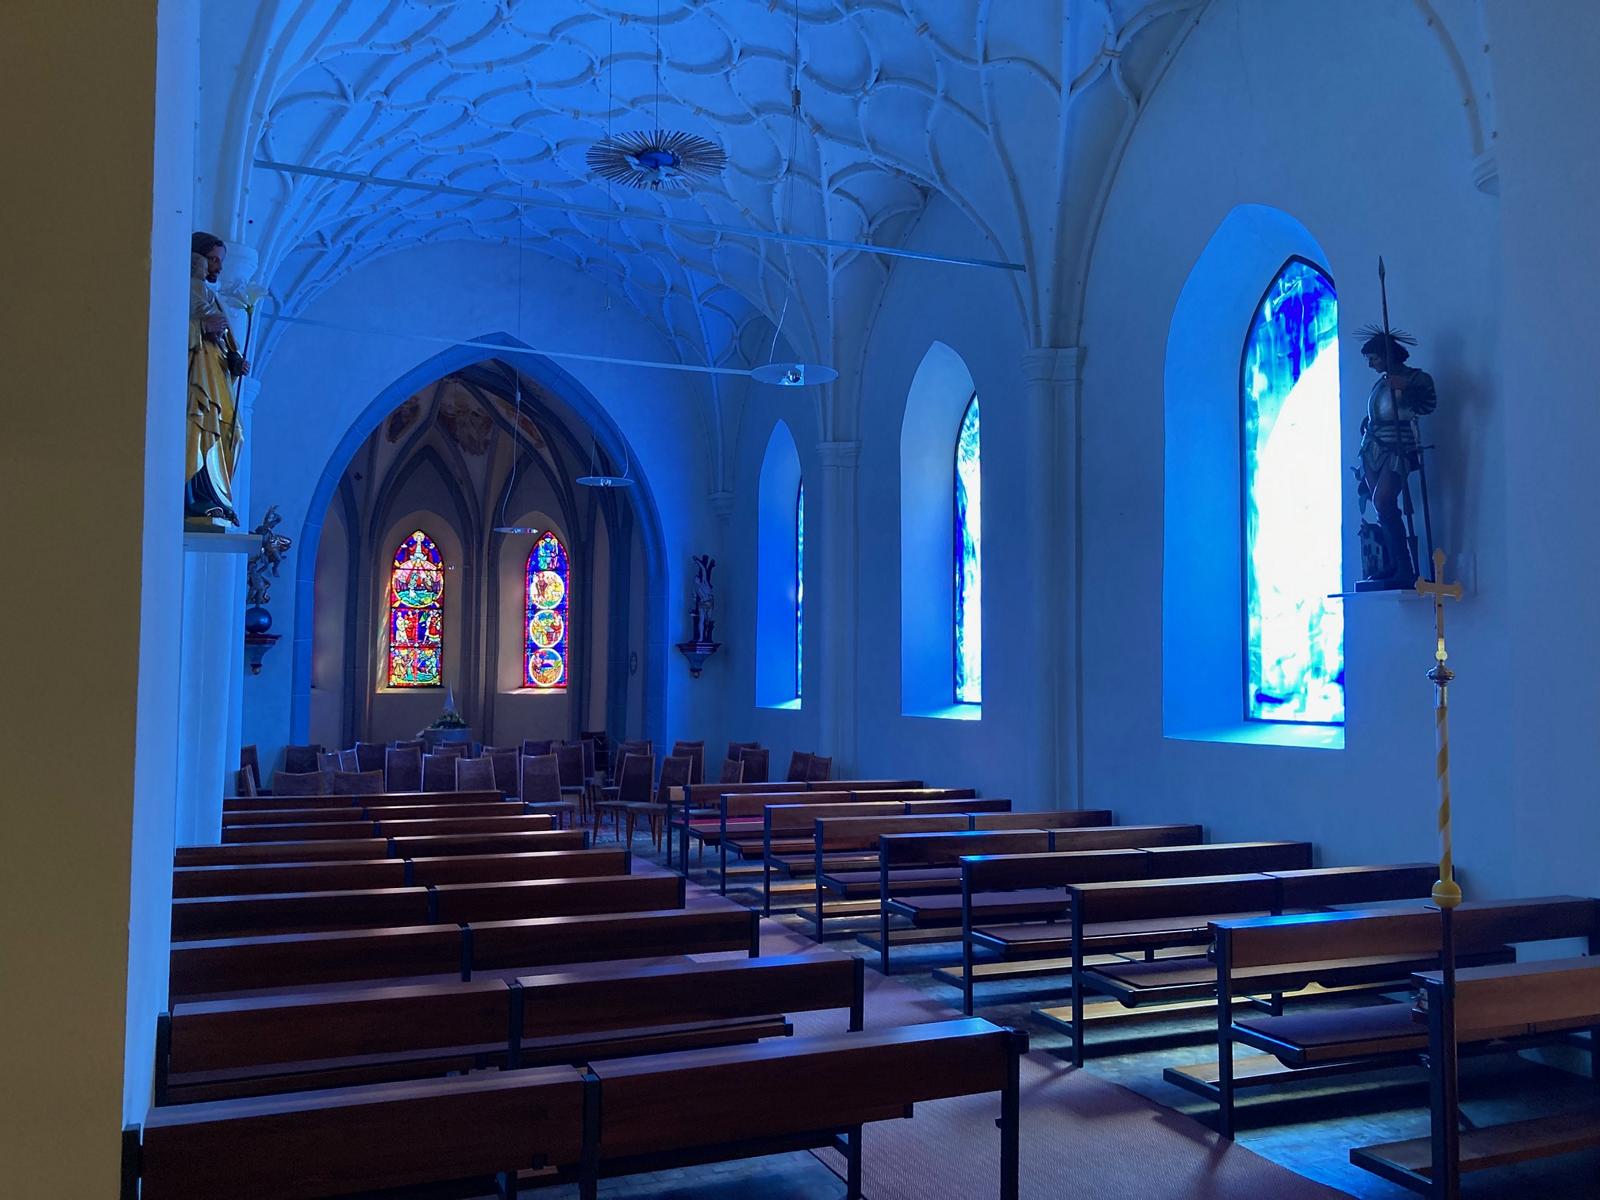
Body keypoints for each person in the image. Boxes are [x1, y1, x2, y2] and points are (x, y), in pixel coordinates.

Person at [1356, 328, 1436, 586]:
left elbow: (1427, 405)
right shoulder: (1381, 383)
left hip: (1397, 446)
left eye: (1374, 358)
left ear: (1386, 355)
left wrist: (1407, 387)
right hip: (1372, 447)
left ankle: (1405, 567)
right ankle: (1394, 564)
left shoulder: (1415, 377)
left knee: (1383, 500)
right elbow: (1378, 413)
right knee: (1381, 506)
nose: (1370, 364)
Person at [186, 234, 246, 525]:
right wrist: (201, 327)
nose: (218, 267)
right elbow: (168, 329)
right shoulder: (181, 287)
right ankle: (195, 497)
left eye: (220, 261)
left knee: (233, 432)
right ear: (196, 258)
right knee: (201, 427)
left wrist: (234, 361)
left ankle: (219, 495)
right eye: (213, 260)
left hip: (217, 372)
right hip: (199, 373)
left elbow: (227, 341)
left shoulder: (211, 296)